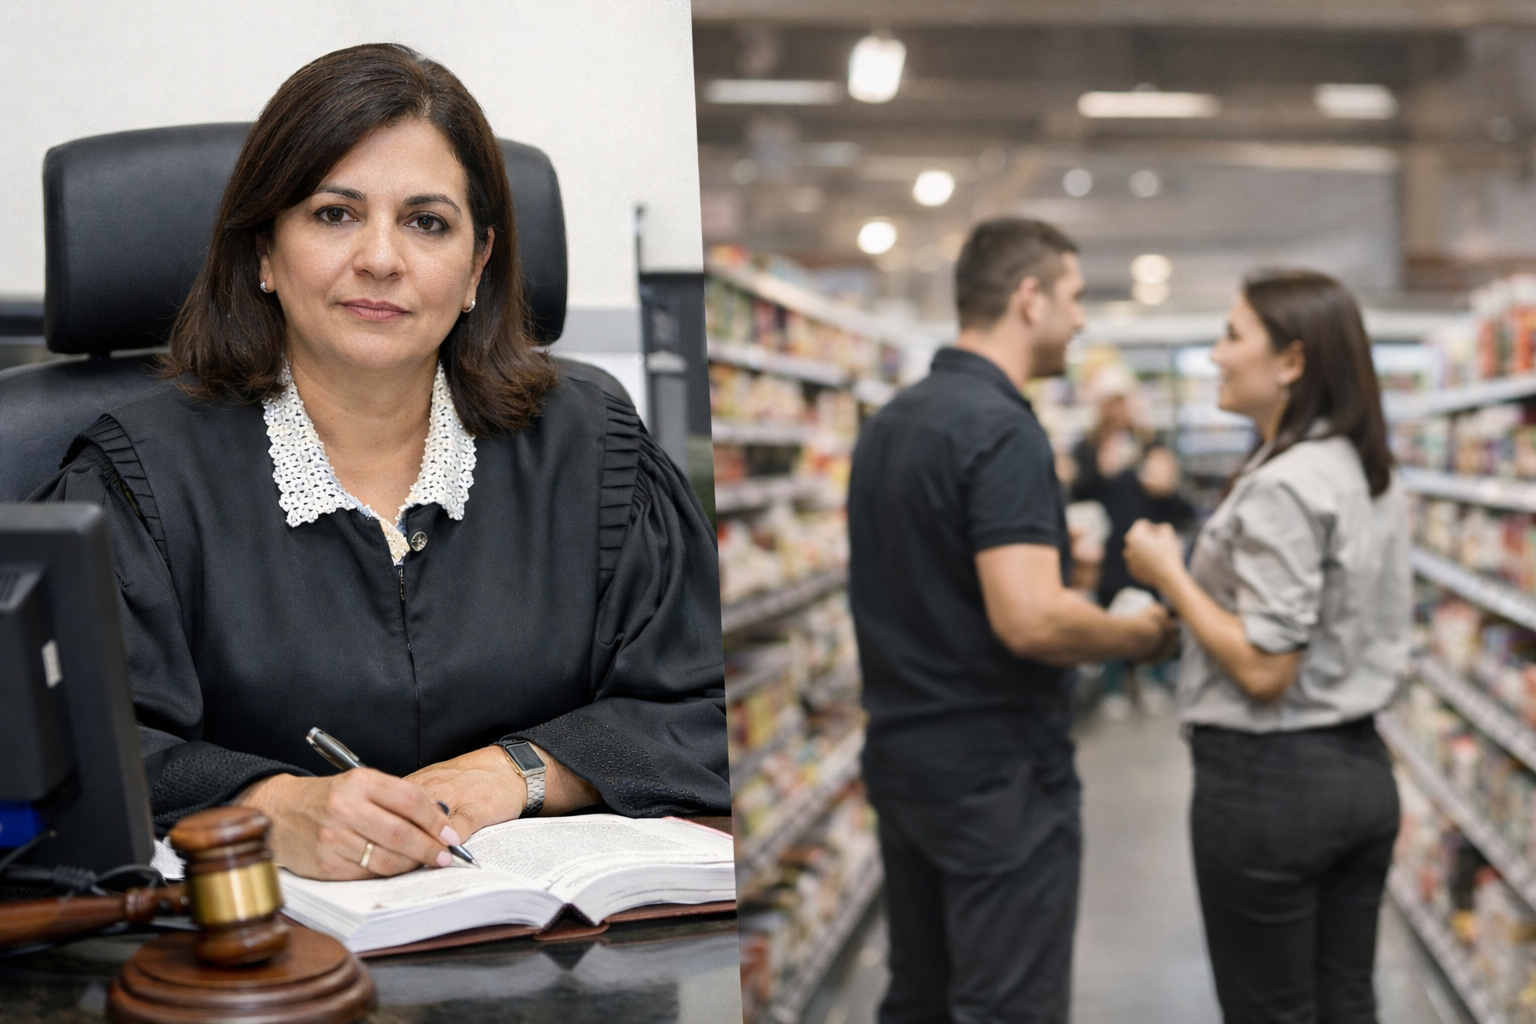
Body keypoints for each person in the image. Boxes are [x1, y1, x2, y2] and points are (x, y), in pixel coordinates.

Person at [36, 44, 728, 881]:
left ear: (477, 267)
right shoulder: (137, 473)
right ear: (263, 250)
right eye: (334, 214)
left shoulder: (596, 448)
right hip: (257, 973)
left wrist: (519, 772)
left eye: (427, 222)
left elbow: (709, 703)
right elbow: (62, 746)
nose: (380, 259)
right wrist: (268, 806)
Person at [846, 218, 1175, 1024]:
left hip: (905, 757)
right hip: (995, 774)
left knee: (920, 994)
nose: (1082, 319)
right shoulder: (1002, 427)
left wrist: (1068, 576)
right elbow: (1029, 621)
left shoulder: (892, 422)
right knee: (1008, 1005)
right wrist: (1140, 634)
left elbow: (940, 578)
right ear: (1029, 299)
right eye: (1074, 296)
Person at [1123, 270, 1409, 1024]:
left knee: (1269, 1010)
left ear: (1291, 362)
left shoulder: (1287, 484)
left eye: (1231, 335)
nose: (1216, 355)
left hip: (1272, 780)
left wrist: (1171, 578)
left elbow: (1263, 668)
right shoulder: (1365, 469)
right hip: (1358, 771)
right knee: (1345, 998)